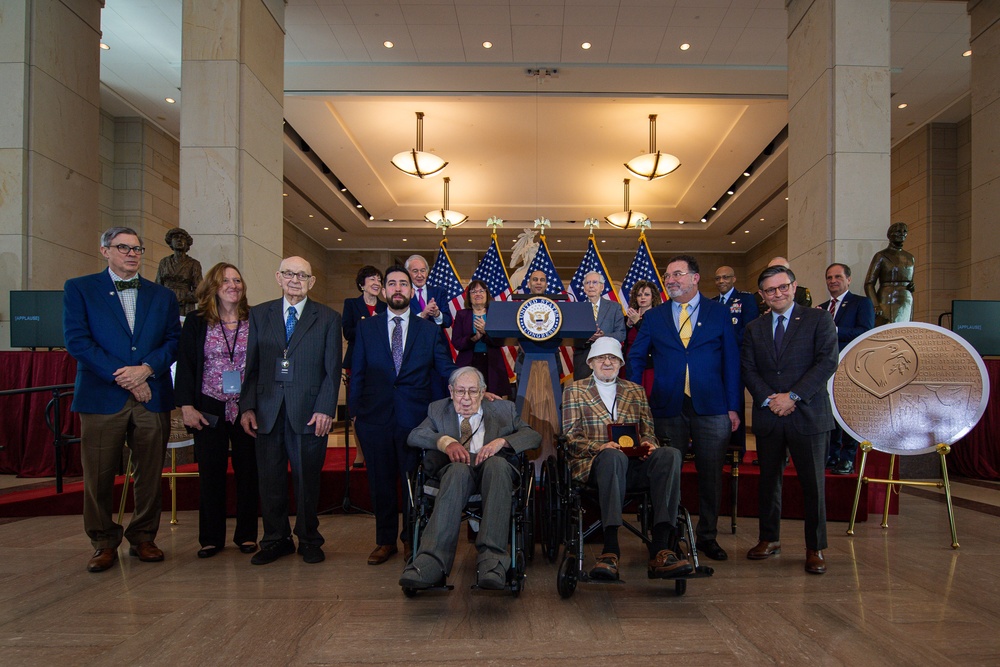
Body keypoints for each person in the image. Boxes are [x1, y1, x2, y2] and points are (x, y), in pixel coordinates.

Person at [63, 226, 181, 572]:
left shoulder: (162, 296)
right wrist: (127, 377)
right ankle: (102, 541)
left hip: (152, 394)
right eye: (123, 247)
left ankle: (144, 537)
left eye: (137, 248)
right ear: (105, 251)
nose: (132, 254)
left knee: (149, 474)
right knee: (98, 475)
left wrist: (146, 369)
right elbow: (78, 342)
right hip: (103, 396)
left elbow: (174, 341)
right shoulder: (81, 288)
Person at [627, 255, 741, 562]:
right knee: (666, 473)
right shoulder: (655, 316)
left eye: (677, 274)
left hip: (712, 407)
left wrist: (733, 407)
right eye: (667, 276)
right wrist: (636, 397)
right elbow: (636, 357)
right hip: (667, 407)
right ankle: (669, 537)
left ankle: (707, 536)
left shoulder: (719, 313)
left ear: (695, 277)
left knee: (711, 475)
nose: (671, 280)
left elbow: (732, 362)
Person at [350, 265, 456, 565]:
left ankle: (412, 539)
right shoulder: (366, 327)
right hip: (374, 419)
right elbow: (357, 371)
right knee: (380, 482)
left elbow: (445, 369)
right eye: (392, 283)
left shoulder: (429, 330)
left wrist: (470, 382)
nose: (398, 288)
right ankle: (385, 541)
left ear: (412, 291)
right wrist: (356, 412)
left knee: (414, 483)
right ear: (383, 291)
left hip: (416, 420)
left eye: (404, 284)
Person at [239, 257, 342, 565]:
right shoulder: (259, 314)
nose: (295, 279)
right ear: (278, 277)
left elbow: (332, 369)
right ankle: (275, 539)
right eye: (289, 274)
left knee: (307, 479)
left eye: (302, 275)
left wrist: (326, 408)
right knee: (270, 479)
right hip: (267, 410)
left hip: (309, 412)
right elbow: (252, 365)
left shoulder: (327, 317)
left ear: (312, 282)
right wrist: (247, 406)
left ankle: (309, 538)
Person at [399, 367, 540, 590]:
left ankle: (492, 562)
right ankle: (430, 562)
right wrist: (445, 442)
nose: (466, 399)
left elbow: (533, 436)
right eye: (460, 391)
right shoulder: (438, 409)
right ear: (451, 391)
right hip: (455, 476)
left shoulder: (503, 409)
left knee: (496, 465)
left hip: (492, 473)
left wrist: (502, 442)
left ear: (483, 392)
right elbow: (415, 435)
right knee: (457, 470)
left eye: (473, 391)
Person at [562, 337, 691, 581]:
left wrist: (649, 444)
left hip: (635, 464)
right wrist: (600, 446)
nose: (607, 362)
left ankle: (662, 548)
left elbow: (648, 430)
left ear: (621, 363)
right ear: (591, 362)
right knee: (612, 456)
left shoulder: (635, 390)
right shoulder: (575, 390)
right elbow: (570, 437)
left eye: (613, 358)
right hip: (595, 464)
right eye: (602, 358)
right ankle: (610, 549)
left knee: (670, 455)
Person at [742, 265, 838, 575]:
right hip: (770, 415)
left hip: (807, 414)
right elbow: (749, 370)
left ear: (794, 287)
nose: (778, 294)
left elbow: (827, 362)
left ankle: (815, 547)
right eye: (770, 290)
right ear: (762, 296)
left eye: (783, 287)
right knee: (768, 482)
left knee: (813, 484)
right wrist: (771, 399)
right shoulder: (754, 328)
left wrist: (792, 396)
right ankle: (769, 539)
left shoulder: (818, 319)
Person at [175, 263, 259, 558]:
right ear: (213, 286)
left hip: (247, 406)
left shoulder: (255, 319)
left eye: (237, 279)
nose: (233, 285)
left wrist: (255, 404)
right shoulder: (197, 322)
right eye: (226, 280)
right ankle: (210, 538)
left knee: (249, 472)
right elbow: (185, 364)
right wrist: (186, 405)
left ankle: (247, 535)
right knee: (211, 472)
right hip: (208, 405)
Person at [817, 262, 875, 475]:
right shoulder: (821, 308)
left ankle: (847, 458)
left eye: (838, 277)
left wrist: (834, 329)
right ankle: (831, 456)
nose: (833, 281)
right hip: (825, 369)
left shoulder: (861, 303)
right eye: (829, 277)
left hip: (850, 367)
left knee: (847, 413)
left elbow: (865, 331)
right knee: (830, 413)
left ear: (848, 279)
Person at [712, 265, 759, 462]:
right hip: (715, 361)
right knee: (718, 403)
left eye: (725, 277)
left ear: (734, 279)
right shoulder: (713, 303)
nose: (721, 281)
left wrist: (727, 343)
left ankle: (737, 449)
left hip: (736, 359)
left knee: (735, 402)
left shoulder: (746, 300)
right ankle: (719, 445)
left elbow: (750, 327)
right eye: (718, 278)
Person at [342, 266, 387, 468]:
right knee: (357, 409)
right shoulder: (351, 304)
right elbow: (348, 332)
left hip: (379, 365)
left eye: (379, 279)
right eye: (372, 279)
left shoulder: (385, 307)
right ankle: (360, 452)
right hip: (356, 363)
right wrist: (368, 325)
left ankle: (378, 450)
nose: (376, 282)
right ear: (362, 284)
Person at [452, 280, 511, 398]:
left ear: (486, 294)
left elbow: (501, 341)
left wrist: (486, 332)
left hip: (492, 363)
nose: (477, 294)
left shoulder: (494, 313)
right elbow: (457, 342)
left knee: (493, 400)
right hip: (469, 362)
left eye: (481, 291)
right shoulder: (462, 315)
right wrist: (474, 338)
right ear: (469, 296)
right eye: (473, 291)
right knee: (469, 396)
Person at [572, 271, 625, 380]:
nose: (591, 285)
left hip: (608, 361)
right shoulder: (577, 309)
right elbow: (571, 338)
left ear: (602, 287)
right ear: (584, 288)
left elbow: (621, 334)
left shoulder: (614, 307)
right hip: (583, 359)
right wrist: (587, 338)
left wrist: (603, 336)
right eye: (588, 283)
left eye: (595, 282)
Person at [865, 222, 916, 326]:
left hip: (905, 299)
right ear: (889, 235)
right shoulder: (881, 256)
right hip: (887, 298)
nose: (902, 234)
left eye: (904, 231)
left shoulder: (910, 257)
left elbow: (910, 280)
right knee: (886, 328)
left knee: (904, 328)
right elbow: (869, 284)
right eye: (898, 231)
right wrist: (875, 305)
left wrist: (911, 286)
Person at [622, 279, 661, 396]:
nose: (642, 298)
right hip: (628, 361)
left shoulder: (658, 317)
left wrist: (637, 322)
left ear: (653, 297)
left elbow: (654, 339)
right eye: (639, 295)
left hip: (646, 363)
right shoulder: (628, 316)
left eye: (646, 294)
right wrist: (628, 325)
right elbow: (622, 338)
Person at [155, 227, 203, 316]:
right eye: (176, 237)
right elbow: (157, 286)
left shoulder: (194, 264)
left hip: (185, 305)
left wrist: (184, 298)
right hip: (166, 302)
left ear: (187, 243)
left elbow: (200, 290)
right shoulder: (164, 262)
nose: (179, 240)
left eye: (182, 238)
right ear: (171, 242)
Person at [405, 254, 453, 328]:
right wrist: (423, 314)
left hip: (436, 338)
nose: (419, 275)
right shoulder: (404, 294)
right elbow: (403, 322)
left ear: (427, 273)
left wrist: (437, 314)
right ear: (408, 274)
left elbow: (448, 322)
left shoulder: (439, 292)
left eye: (422, 271)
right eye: (415, 271)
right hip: (414, 338)